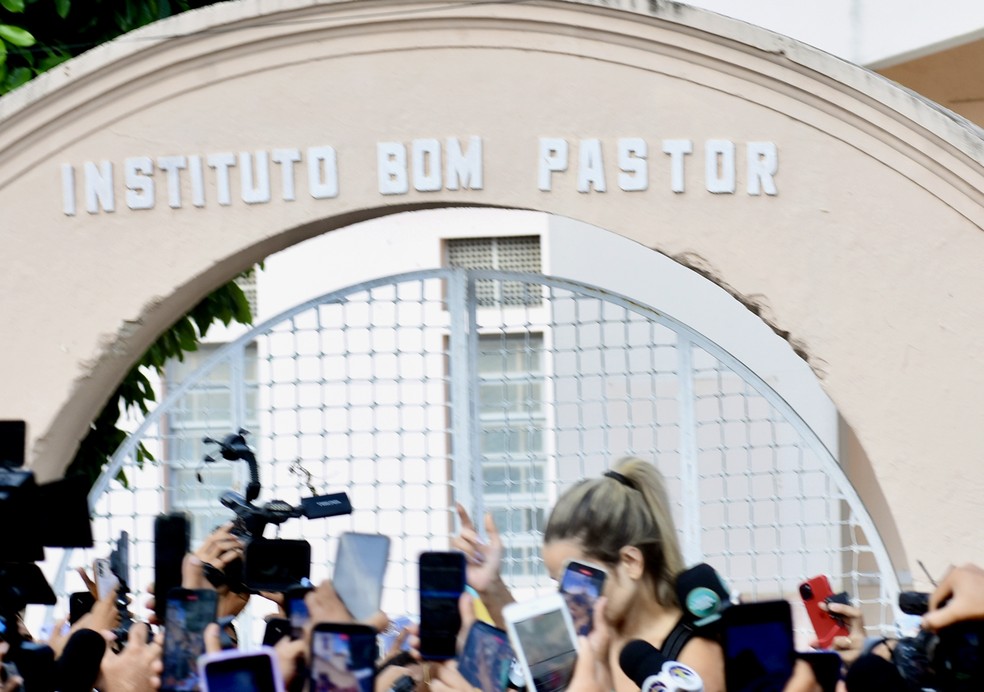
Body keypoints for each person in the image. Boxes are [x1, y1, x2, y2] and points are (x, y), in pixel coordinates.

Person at [453, 456, 726, 692]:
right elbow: (534, 660)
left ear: (631, 561)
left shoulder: (694, 656)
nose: (568, 600)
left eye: (577, 582)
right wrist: (490, 586)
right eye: (559, 585)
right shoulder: (588, 636)